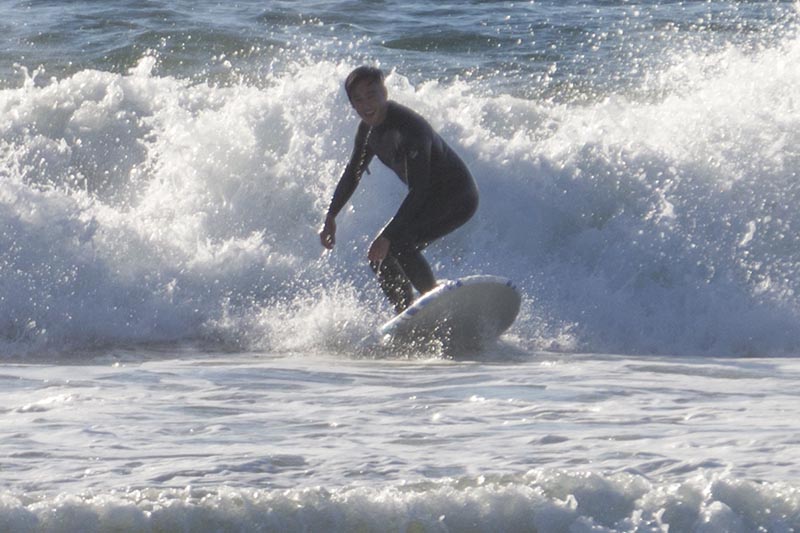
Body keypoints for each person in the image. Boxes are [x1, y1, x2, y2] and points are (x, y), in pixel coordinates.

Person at [319, 66, 479, 313]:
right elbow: (354, 172)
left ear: (384, 92)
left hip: (458, 198)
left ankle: (435, 305)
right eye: (358, 99)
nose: (366, 104)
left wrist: (387, 235)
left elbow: (419, 189)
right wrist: (331, 215)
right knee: (380, 256)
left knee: (398, 244)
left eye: (371, 95)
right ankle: (407, 315)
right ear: (351, 104)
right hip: (428, 199)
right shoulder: (367, 130)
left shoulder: (409, 130)